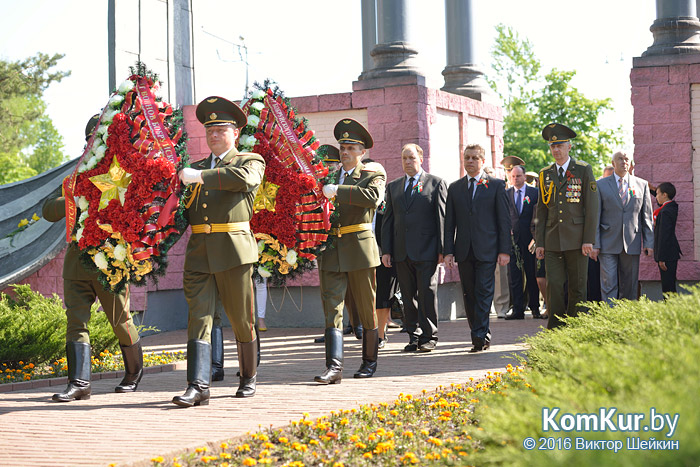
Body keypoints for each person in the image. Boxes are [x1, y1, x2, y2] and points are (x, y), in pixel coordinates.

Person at [173, 96, 265, 407]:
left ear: (235, 132)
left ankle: (248, 376)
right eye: (209, 130)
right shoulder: (195, 167)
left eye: (221, 129)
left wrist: (201, 177)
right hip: (199, 253)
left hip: (233, 252)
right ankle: (198, 386)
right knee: (198, 318)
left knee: (241, 318)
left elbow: (245, 180)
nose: (214, 135)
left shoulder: (250, 160)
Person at [44, 115, 143, 402]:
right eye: (90, 139)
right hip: (77, 261)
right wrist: (74, 198)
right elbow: (49, 210)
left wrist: (95, 194)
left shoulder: (120, 173)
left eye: (99, 139)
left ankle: (134, 373)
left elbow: (125, 208)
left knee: (120, 320)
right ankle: (79, 384)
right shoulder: (74, 177)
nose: (93, 144)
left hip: (109, 260)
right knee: (75, 321)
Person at [314, 118, 386, 383]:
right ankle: (334, 367)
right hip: (332, 248)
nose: (345, 152)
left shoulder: (372, 174)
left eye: (351, 148)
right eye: (342, 147)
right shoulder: (328, 176)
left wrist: (339, 192)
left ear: (362, 152)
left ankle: (369, 361)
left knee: (366, 307)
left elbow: (371, 198)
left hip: (359, 246)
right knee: (332, 308)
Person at [444, 144, 511, 352]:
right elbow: (449, 223)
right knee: (469, 294)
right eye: (467, 158)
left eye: (474, 158)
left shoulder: (497, 185)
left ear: (482, 161)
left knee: (483, 291)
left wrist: (504, 250)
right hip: (464, 250)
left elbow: (503, 221)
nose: (470, 161)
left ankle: (479, 336)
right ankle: (480, 332)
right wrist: (448, 251)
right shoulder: (455, 188)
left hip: (488, 250)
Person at [381, 144, 446, 352]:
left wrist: (443, 249)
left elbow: (441, 219)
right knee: (407, 296)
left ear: (421, 158)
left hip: (427, 250)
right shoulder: (394, 187)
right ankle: (414, 335)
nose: (407, 162)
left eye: (411, 158)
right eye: (404, 159)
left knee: (426, 293)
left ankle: (429, 336)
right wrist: (387, 251)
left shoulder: (435, 184)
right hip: (401, 252)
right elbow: (388, 222)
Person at [535, 123, 599, 329]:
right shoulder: (545, 174)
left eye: (560, 146)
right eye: (552, 147)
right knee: (553, 285)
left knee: (577, 287)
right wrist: (540, 242)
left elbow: (592, 208)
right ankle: (556, 328)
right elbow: (542, 211)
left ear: (569, 147)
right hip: (553, 240)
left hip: (577, 239)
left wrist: (589, 239)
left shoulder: (582, 170)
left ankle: (575, 328)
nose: (556, 150)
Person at [592, 151, 653, 302]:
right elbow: (595, 216)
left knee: (630, 285)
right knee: (608, 284)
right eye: (620, 159)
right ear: (613, 163)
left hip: (632, 242)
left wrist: (649, 242)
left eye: (627, 159)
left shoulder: (642, 184)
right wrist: (595, 243)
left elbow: (646, 217)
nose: (624, 162)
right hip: (607, 243)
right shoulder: (600, 185)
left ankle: (626, 318)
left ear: (630, 164)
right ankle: (610, 318)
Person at [505, 164, 541, 319]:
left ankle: (535, 308)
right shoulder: (506, 194)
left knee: (532, 274)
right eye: (513, 176)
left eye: (518, 176)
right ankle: (518, 309)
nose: (515, 179)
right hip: (513, 241)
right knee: (514, 276)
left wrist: (537, 238)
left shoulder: (535, 193)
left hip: (530, 241)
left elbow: (539, 216)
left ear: (525, 177)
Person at [653, 182, 681, 295]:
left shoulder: (665, 211)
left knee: (668, 286)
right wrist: (650, 188)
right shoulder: (669, 207)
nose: (656, 197)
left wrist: (661, 258)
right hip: (670, 253)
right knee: (669, 285)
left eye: (658, 194)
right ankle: (671, 309)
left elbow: (665, 235)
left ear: (664, 195)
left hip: (667, 255)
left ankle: (670, 311)